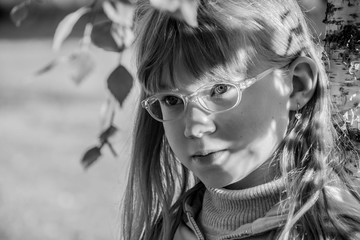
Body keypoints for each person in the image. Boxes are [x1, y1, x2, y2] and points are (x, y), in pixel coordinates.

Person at [121, 0, 360, 239]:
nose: (194, 127)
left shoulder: (336, 231)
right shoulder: (164, 232)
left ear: (296, 85)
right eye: (171, 100)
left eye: (220, 89)